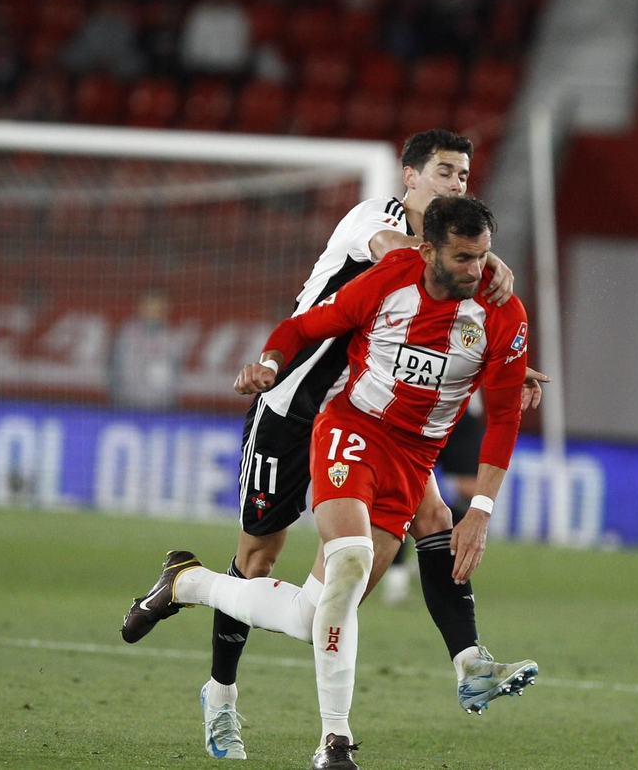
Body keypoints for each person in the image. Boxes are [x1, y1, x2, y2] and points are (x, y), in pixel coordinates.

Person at [124, 195, 533, 770]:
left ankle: (188, 584)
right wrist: (270, 361)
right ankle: (334, 743)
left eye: (485, 257)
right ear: (430, 250)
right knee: (349, 561)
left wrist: (482, 512)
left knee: (314, 614)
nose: (479, 271)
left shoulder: (502, 312)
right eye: (465, 258)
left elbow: (507, 416)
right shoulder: (390, 278)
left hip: (413, 461)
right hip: (352, 427)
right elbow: (305, 325)